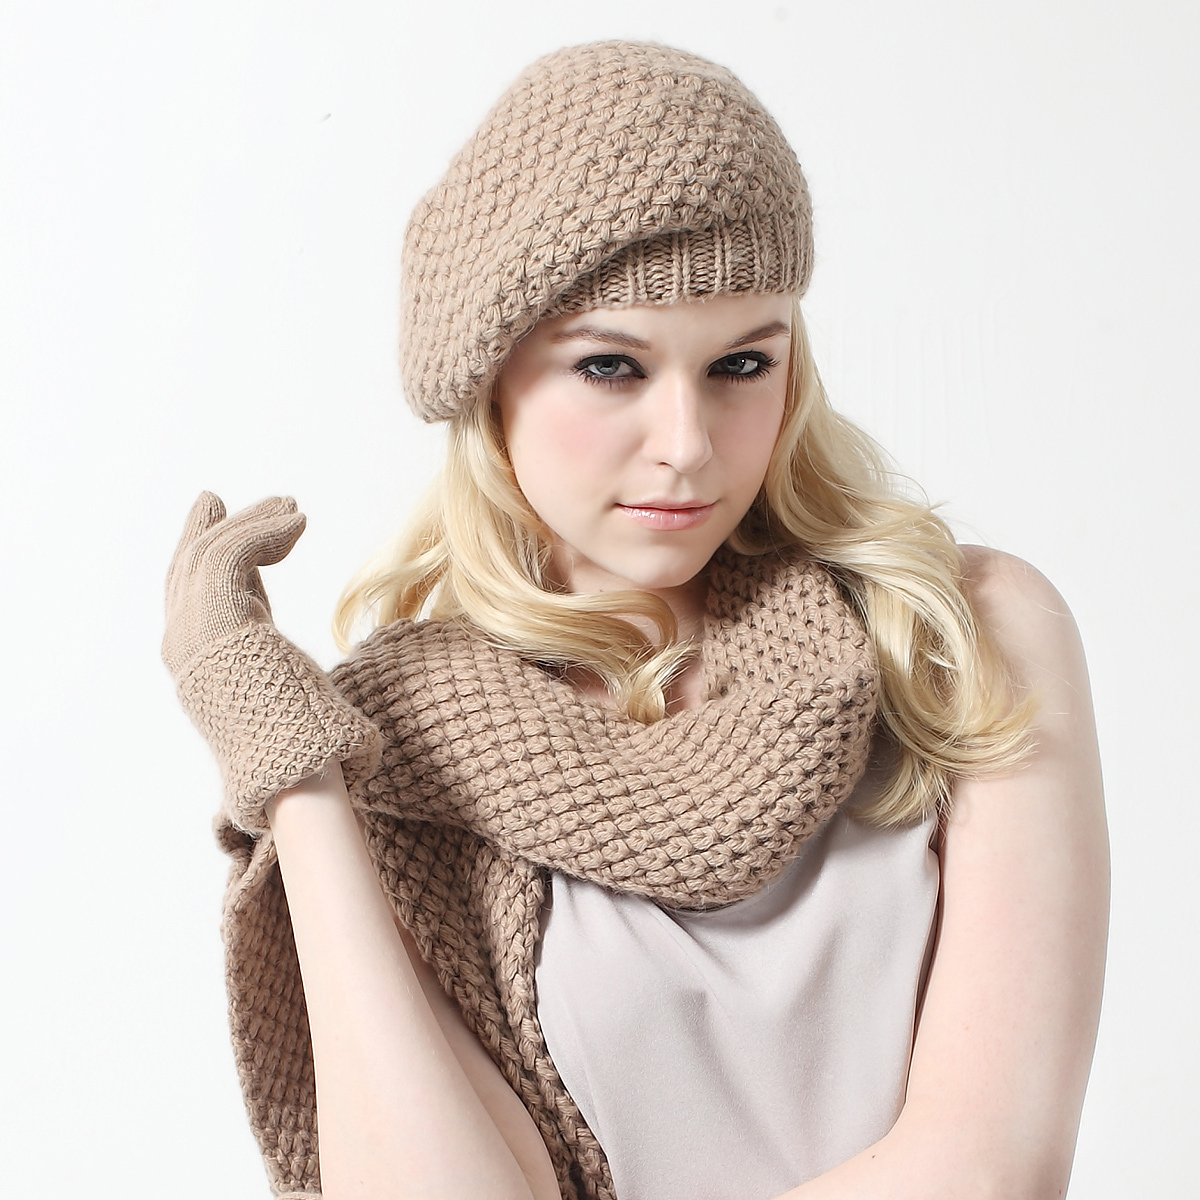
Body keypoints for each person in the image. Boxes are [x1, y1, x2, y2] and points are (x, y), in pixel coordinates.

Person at [163, 41, 1108, 1200]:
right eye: (612, 366)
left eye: (741, 364)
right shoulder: (405, 758)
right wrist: (300, 785)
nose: (688, 443)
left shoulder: (959, 637)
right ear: (491, 378)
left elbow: (994, 1170)